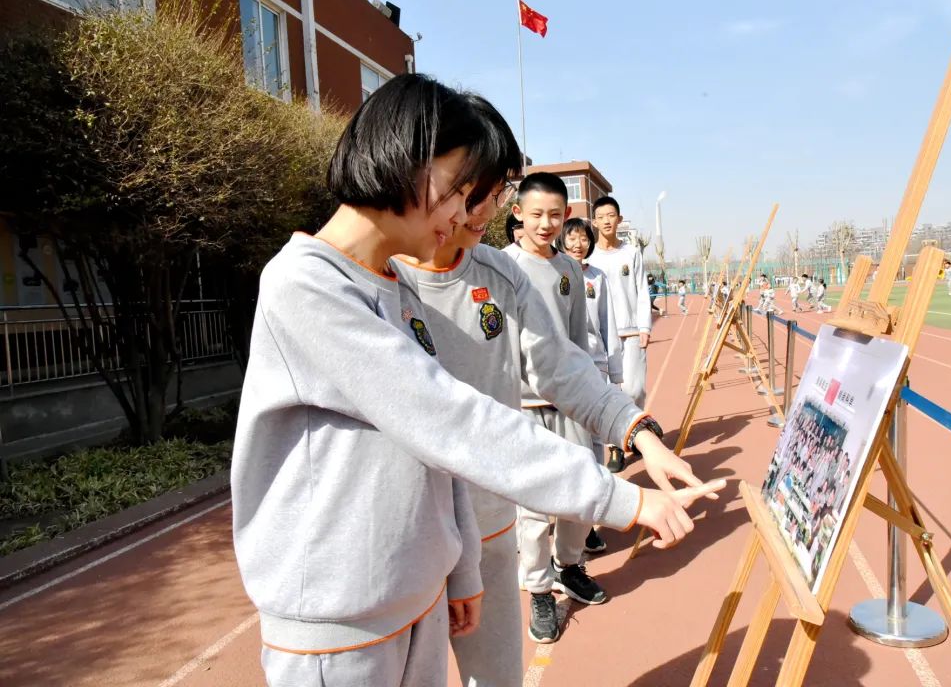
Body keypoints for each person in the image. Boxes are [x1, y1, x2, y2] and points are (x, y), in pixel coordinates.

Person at [231, 74, 723, 687]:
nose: (470, 214)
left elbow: (449, 447)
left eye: (481, 194)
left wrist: (460, 569)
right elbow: (449, 420)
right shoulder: (308, 284)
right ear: (408, 159)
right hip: (341, 609)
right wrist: (625, 499)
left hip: (416, 580)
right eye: (462, 190)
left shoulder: (398, 288)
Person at [504, 173, 627, 643]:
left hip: (570, 401)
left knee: (581, 490)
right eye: (536, 214)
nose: (546, 223)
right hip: (524, 402)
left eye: (555, 214)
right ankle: (538, 591)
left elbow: (577, 340)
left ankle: (569, 566)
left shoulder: (571, 270)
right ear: (517, 213)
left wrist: (590, 388)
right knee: (535, 505)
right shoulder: (504, 266)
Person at [560, 217, 627, 475]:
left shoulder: (597, 277)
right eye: (572, 237)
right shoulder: (556, 273)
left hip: (595, 364)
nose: (578, 243)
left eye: (584, 238)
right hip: (566, 365)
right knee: (573, 430)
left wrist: (616, 372)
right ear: (563, 239)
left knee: (596, 428)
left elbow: (607, 324)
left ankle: (601, 484)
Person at [590, 197, 652, 411]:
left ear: (619, 219)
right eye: (601, 217)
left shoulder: (632, 253)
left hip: (632, 331)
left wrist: (644, 327)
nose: (606, 221)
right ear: (594, 222)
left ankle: (636, 433)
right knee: (610, 394)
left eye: (611, 216)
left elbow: (643, 290)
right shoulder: (589, 257)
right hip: (602, 335)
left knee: (635, 390)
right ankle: (620, 440)